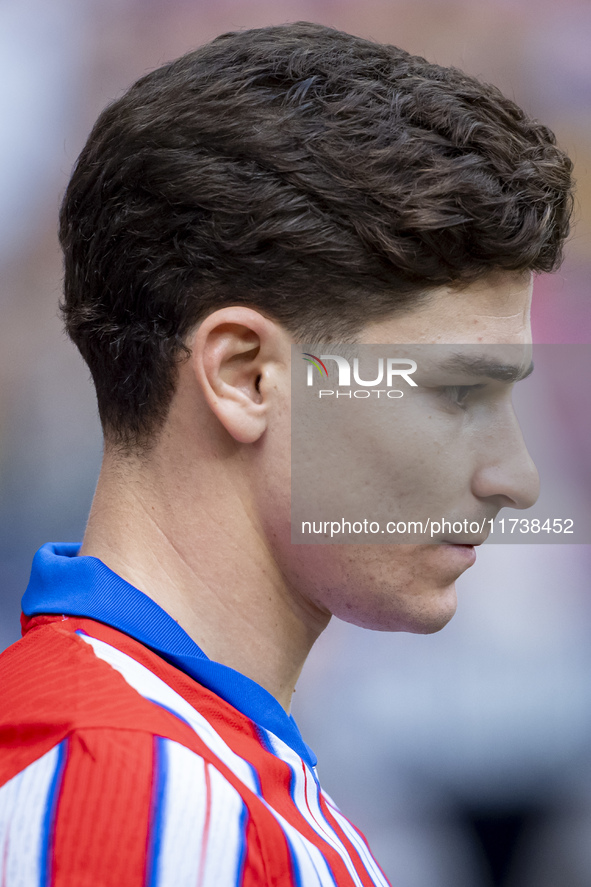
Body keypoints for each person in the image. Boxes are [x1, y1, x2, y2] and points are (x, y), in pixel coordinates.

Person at [0, 21, 572, 887]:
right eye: (457, 394)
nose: (516, 477)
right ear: (245, 375)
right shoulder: (145, 794)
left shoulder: (187, 764)